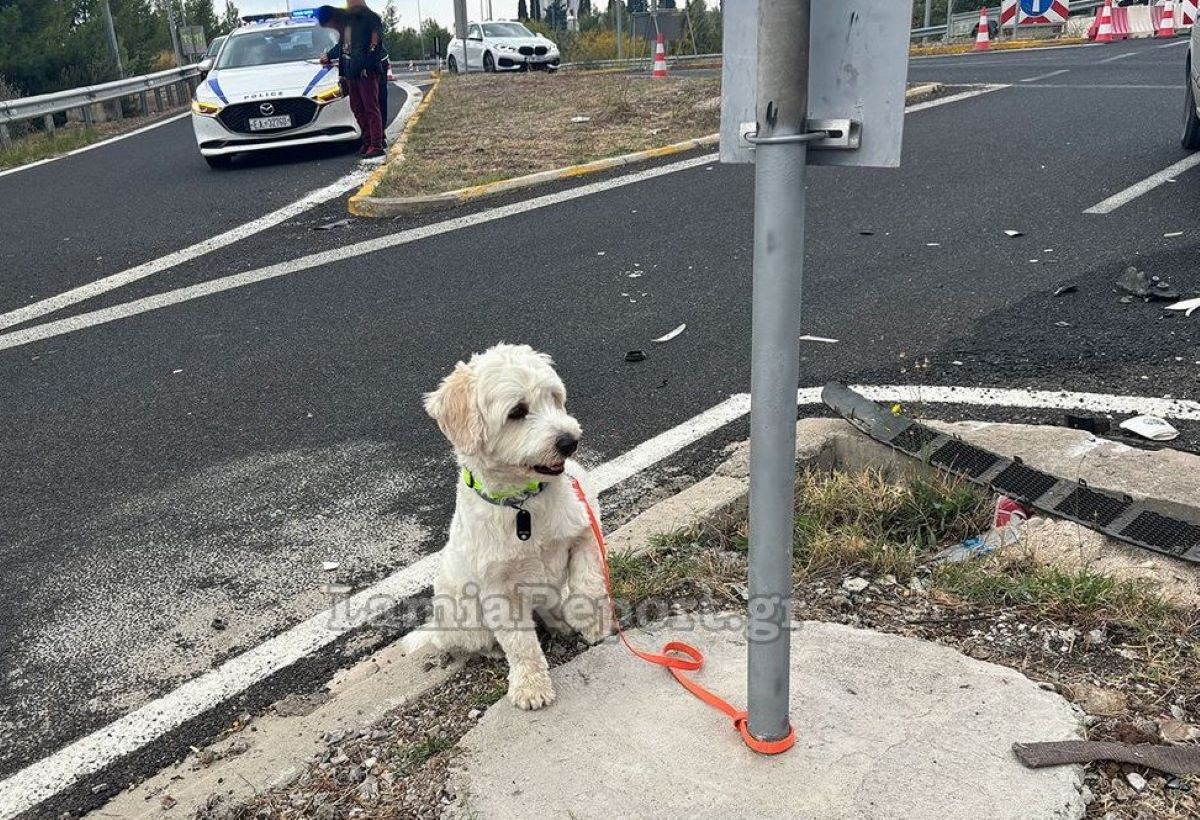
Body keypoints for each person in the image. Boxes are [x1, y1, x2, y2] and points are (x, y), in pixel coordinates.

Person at [316, 5, 385, 159]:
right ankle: (367, 141)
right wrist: (332, 61)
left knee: (370, 108)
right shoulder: (346, 26)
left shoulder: (370, 20)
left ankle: (376, 144)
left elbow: (376, 47)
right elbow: (342, 50)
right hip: (350, 72)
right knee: (357, 108)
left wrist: (366, 66)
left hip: (365, 72)